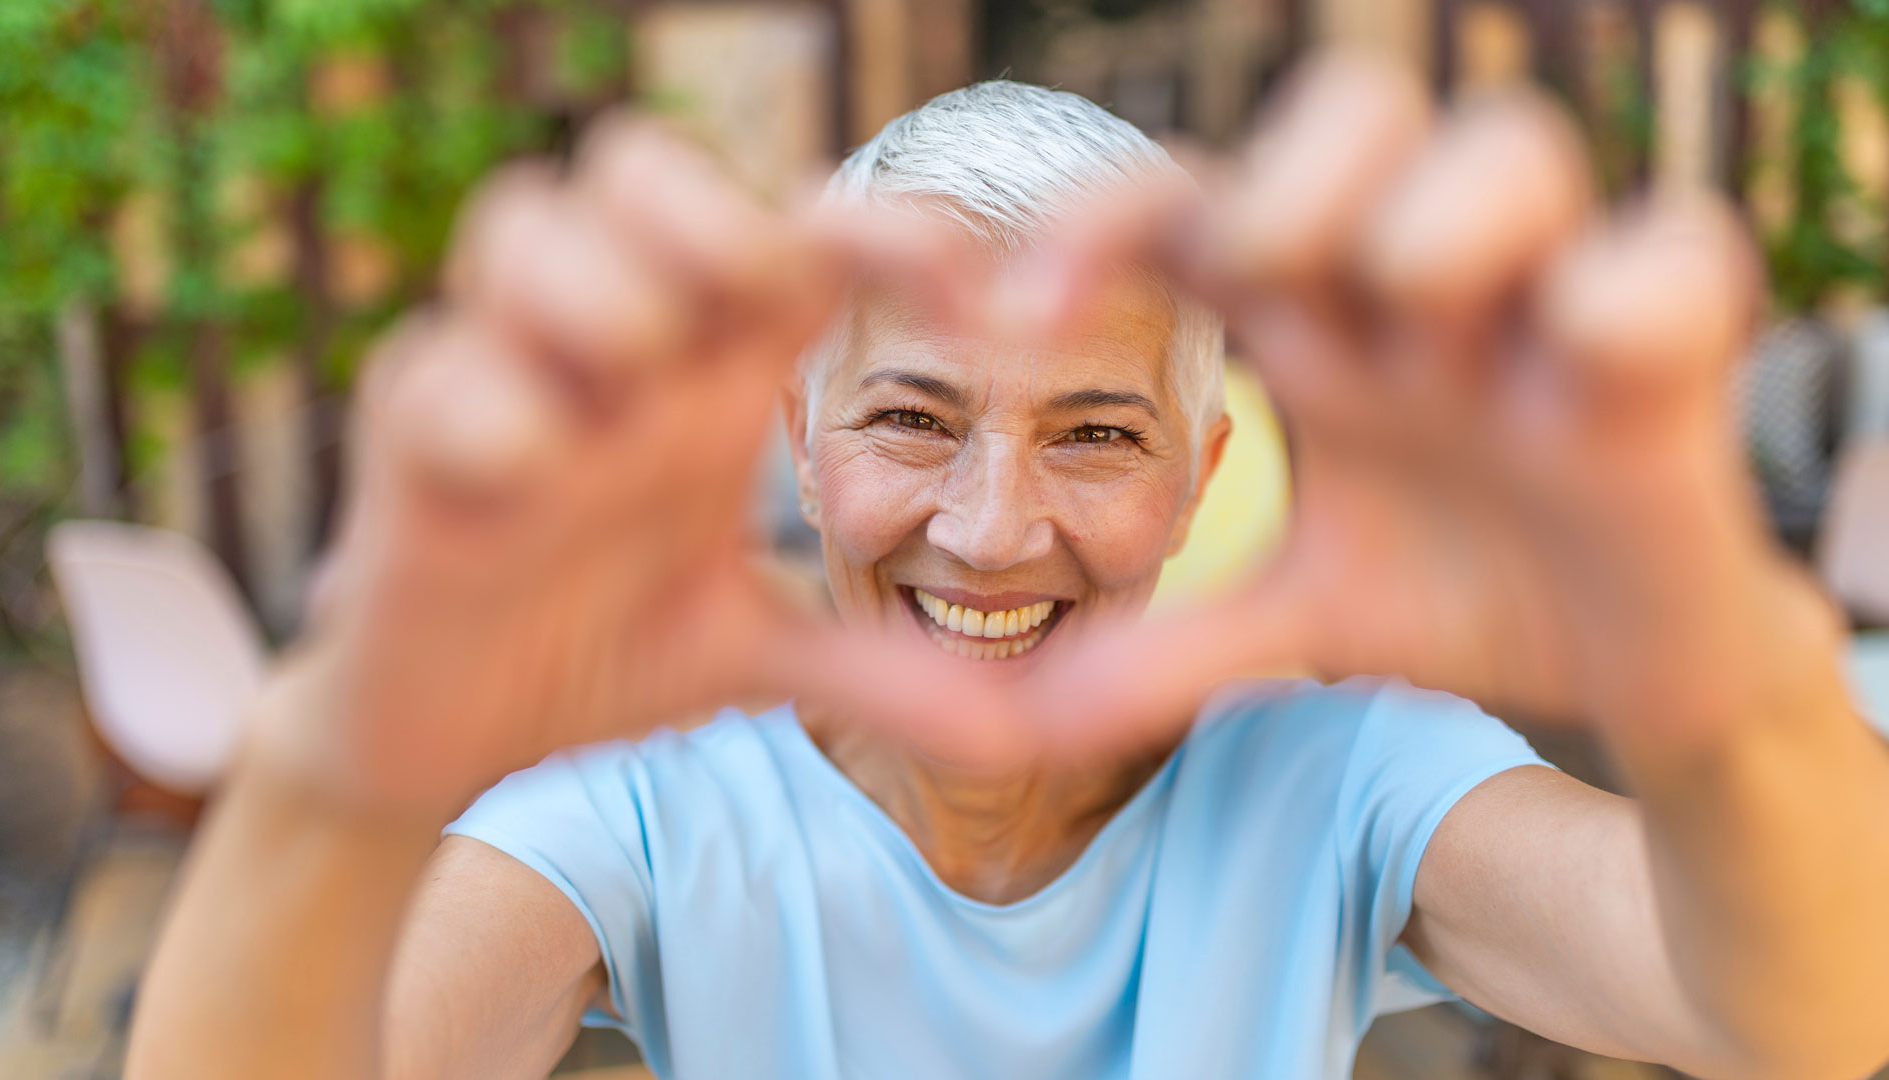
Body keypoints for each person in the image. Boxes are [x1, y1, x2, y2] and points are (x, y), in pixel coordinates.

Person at [125, 58, 1889, 1080]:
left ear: (1207, 478)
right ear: (798, 441)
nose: (992, 527)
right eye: (910, 420)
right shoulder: (653, 810)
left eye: (1097, 436)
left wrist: (1717, 674)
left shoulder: (1331, 775)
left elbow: (1826, 1009)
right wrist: (342, 763)